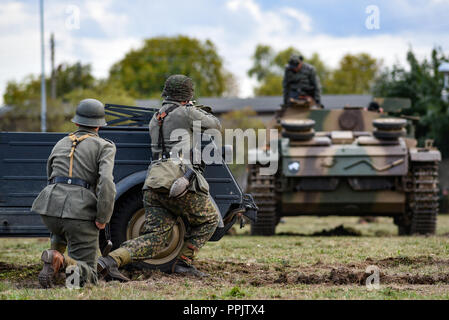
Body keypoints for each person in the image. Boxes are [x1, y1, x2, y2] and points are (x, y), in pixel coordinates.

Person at [97, 74, 221, 280]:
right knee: (210, 219)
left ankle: (112, 260)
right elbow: (215, 125)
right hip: (179, 180)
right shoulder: (186, 112)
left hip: (153, 181)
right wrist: (195, 108)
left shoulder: (157, 117)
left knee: (156, 237)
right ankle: (184, 262)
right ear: (187, 95)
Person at [32, 99, 116, 288]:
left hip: (49, 208)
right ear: (100, 126)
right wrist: (103, 217)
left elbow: (50, 175)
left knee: (61, 231)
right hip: (78, 213)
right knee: (88, 275)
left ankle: (55, 265)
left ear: (76, 122)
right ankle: (59, 260)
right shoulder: (105, 146)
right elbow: (106, 183)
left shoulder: (60, 143)